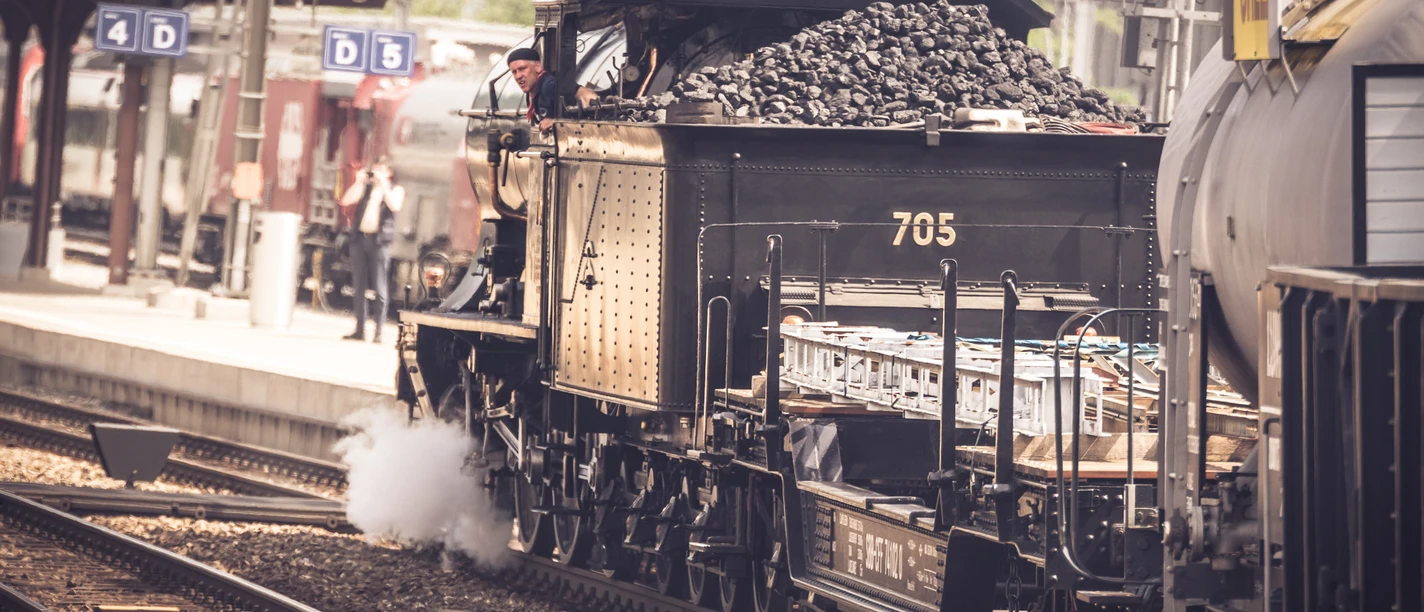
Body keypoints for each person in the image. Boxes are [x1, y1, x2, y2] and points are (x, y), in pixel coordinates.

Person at [339, 156, 404, 343]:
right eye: (375, 169)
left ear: (389, 172)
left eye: (381, 170)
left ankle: (378, 332)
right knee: (358, 286)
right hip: (360, 239)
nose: (377, 173)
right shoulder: (366, 188)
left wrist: (383, 183)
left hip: (379, 243)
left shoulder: (395, 189)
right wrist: (358, 182)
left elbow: (395, 205)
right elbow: (346, 200)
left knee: (380, 288)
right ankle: (359, 330)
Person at [505, 47, 599, 133]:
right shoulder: (537, 91)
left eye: (522, 69)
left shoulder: (549, 85)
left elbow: (587, 95)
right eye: (514, 72)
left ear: (537, 67)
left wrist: (556, 122)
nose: (518, 76)